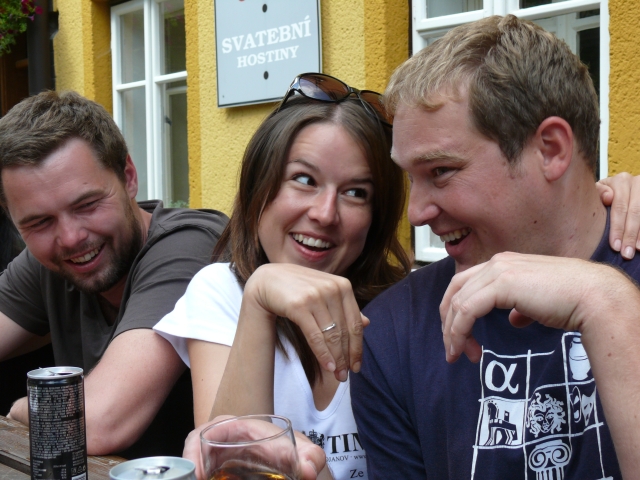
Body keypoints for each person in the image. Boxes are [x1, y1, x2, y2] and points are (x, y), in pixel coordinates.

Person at [349, 14, 640, 478]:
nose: (415, 213)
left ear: (550, 149)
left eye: (440, 171)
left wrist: (607, 304)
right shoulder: (393, 334)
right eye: (410, 178)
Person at [154, 73, 411, 479]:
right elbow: (233, 467)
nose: (325, 214)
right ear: (259, 185)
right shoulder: (221, 292)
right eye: (304, 180)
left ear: (376, 217)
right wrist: (259, 300)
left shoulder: (404, 309)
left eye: (355, 192)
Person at [0, 91, 228, 457]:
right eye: (39, 222)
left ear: (129, 177)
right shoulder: (46, 263)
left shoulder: (190, 245)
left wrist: (19, 410)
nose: (70, 237)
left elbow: (100, 421)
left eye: (87, 204)